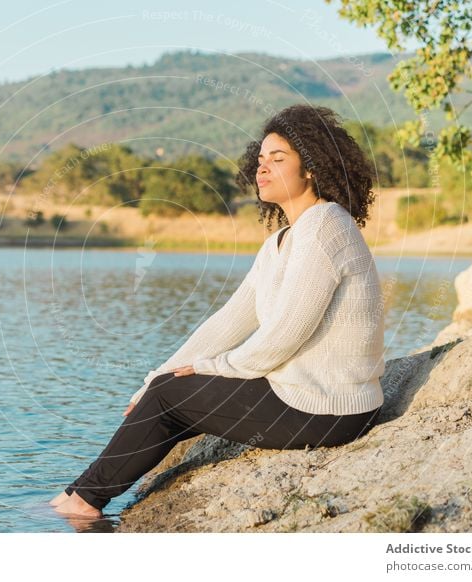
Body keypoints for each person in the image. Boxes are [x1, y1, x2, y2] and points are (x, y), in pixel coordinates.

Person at [50, 104, 385, 519]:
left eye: (278, 160)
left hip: (329, 409)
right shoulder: (282, 239)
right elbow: (229, 321)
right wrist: (156, 377)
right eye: (260, 160)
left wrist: (214, 367)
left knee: (170, 397)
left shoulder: (325, 227)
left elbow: (283, 336)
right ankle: (79, 496)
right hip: (306, 398)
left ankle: (82, 503)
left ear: (312, 167)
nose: (262, 169)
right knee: (165, 394)